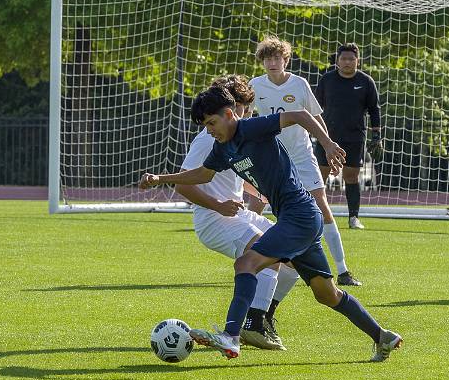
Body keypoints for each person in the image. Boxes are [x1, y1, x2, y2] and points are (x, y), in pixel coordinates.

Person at [139, 86, 402, 362]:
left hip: (298, 215)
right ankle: (383, 336)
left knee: (246, 264)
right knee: (327, 294)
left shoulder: (252, 128)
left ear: (229, 114)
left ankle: (232, 336)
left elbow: (300, 114)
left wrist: (327, 143)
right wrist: (161, 178)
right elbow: (203, 175)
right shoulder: (222, 147)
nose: (210, 130)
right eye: (205, 126)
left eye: (212, 123)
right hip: (297, 218)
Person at [176, 75, 299, 351]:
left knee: (295, 257)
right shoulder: (207, 140)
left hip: (237, 216)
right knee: (267, 253)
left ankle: (263, 318)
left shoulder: (234, 138)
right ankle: (251, 325)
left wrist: (256, 190)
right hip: (214, 221)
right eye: (246, 109)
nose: (249, 115)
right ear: (232, 109)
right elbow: (182, 184)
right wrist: (218, 205)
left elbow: (233, 171)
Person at [249, 36, 361, 287]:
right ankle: (250, 264)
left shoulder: (299, 84)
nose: (273, 63)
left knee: (321, 205)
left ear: (286, 60)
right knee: (255, 205)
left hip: (300, 156)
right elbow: (243, 116)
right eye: (268, 59)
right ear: (262, 62)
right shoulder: (255, 85)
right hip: (270, 158)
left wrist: (328, 145)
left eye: (277, 58)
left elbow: (315, 118)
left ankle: (342, 270)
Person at [314, 43, 382, 230]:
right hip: (327, 137)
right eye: (343, 58)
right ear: (337, 60)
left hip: (354, 137)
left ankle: (354, 218)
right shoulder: (327, 80)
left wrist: (377, 135)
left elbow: (374, 110)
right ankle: (314, 216)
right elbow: (315, 108)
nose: (347, 62)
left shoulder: (366, 81)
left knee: (351, 177)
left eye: (351, 59)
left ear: (357, 61)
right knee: (320, 178)